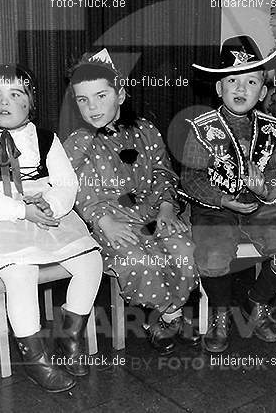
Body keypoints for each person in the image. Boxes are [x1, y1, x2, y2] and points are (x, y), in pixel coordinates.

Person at [0, 65, 103, 392]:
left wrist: (51, 203)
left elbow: (67, 181)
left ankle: (69, 341)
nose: (4, 102)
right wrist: (21, 210)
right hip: (4, 218)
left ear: (30, 103)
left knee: (90, 262)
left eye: (15, 94)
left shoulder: (46, 139)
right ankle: (35, 359)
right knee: (20, 274)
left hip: (48, 213)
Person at [62, 49, 200, 356]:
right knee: (140, 260)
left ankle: (169, 313)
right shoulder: (79, 142)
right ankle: (167, 314)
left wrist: (166, 206)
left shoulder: (146, 131)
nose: (92, 106)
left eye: (100, 95)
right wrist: (104, 221)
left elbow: (164, 172)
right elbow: (77, 189)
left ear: (120, 94)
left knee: (184, 250)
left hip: (152, 211)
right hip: (111, 220)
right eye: (83, 100)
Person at [181, 35, 276, 353]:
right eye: (231, 80)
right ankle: (220, 314)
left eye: (250, 81)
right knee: (211, 255)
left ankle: (256, 301)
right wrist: (220, 199)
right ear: (218, 88)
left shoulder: (273, 127)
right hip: (214, 207)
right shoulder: (201, 128)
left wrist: (266, 188)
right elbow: (190, 178)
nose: (240, 88)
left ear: (262, 92)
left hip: (260, 205)